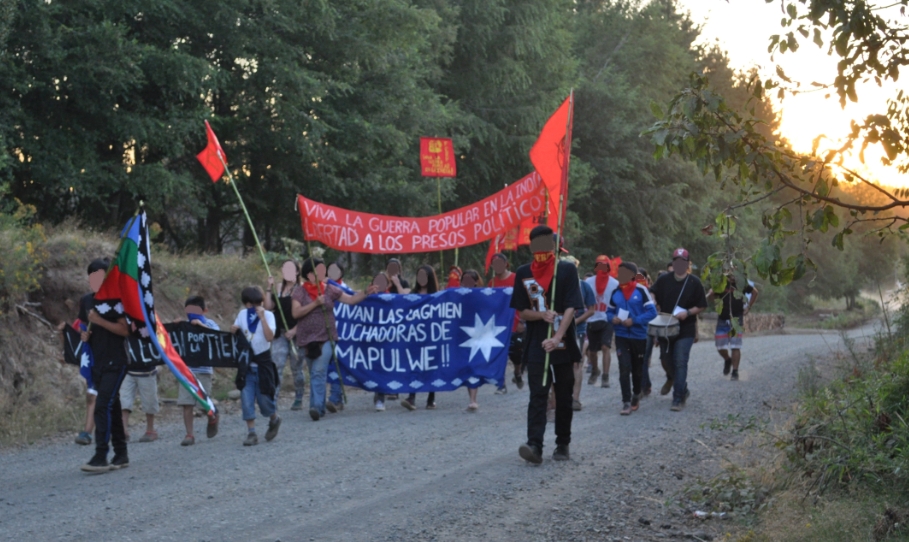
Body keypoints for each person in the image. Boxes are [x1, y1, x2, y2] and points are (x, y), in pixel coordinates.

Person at [511, 227, 585, 464]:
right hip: (535, 343)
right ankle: (535, 445)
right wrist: (540, 315)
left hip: (562, 342)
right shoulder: (523, 273)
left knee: (563, 395)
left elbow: (573, 306)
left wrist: (557, 336)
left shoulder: (566, 269)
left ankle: (562, 443)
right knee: (538, 395)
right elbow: (522, 311)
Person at [292, 257, 378, 419]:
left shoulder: (330, 289)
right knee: (314, 372)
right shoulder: (299, 291)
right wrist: (315, 303)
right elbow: (296, 313)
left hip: (327, 337)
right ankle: (319, 406)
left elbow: (351, 300)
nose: (324, 272)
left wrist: (366, 292)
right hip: (307, 340)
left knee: (318, 371)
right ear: (310, 274)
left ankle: (316, 408)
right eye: (320, 270)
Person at [79, 259, 130, 473]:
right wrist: (85, 335)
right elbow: (84, 328)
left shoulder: (116, 301)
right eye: (92, 276)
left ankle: (101, 455)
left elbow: (125, 330)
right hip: (98, 362)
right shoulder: (86, 301)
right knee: (113, 406)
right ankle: (121, 453)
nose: (96, 280)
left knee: (102, 406)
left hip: (117, 361)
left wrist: (100, 321)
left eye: (100, 275)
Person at [650, 248, 708, 411]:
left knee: (680, 361)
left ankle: (677, 398)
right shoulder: (664, 280)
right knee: (666, 360)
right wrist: (654, 301)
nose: (679, 264)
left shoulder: (694, 282)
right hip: (665, 328)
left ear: (688, 264)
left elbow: (702, 305)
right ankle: (682, 388)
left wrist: (688, 312)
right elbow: (652, 292)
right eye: (677, 261)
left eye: (683, 261)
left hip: (685, 328)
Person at [232, 286, 281, 446]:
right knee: (246, 400)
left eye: (257, 303)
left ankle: (274, 418)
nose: (253, 307)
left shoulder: (268, 315)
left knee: (264, 400)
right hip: (246, 365)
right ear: (245, 304)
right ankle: (251, 433)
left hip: (263, 364)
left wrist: (262, 319)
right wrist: (234, 329)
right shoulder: (241, 315)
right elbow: (236, 334)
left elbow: (269, 337)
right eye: (250, 304)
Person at [606, 262, 657, 415]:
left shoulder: (641, 291)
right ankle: (626, 402)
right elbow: (608, 312)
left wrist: (634, 320)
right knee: (624, 368)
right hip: (621, 336)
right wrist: (612, 318)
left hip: (639, 336)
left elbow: (652, 312)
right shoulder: (616, 291)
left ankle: (636, 395)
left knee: (637, 369)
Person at [264, 259, 306, 411]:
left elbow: (306, 314)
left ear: (297, 272)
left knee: (296, 368)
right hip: (280, 333)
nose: (287, 271)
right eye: (285, 268)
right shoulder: (279, 288)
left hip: (297, 333)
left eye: (291, 269)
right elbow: (268, 307)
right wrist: (269, 288)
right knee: (277, 365)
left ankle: (299, 397)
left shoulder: (302, 289)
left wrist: (295, 330)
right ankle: (273, 400)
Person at [179, 296, 220, 446]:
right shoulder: (184, 325)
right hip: (186, 370)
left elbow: (218, 336)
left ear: (204, 311)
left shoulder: (210, 323)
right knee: (186, 403)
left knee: (204, 403)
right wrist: (177, 326)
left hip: (204, 369)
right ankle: (189, 434)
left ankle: (213, 416)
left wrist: (201, 325)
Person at [402, 265, 440, 410]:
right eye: (419, 275)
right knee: (414, 365)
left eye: (424, 275)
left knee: (431, 366)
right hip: (415, 336)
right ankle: (411, 398)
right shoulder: (412, 294)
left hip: (432, 336)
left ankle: (431, 399)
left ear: (430, 277)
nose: (421, 278)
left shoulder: (437, 295)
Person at [707, 275, 757, 381]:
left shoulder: (742, 283)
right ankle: (727, 359)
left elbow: (755, 292)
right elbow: (712, 298)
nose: (732, 277)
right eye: (730, 274)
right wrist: (711, 294)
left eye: (734, 273)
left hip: (736, 319)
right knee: (720, 347)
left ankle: (735, 371)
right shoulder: (720, 283)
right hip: (722, 318)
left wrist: (748, 307)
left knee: (735, 345)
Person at [489, 253, 524, 393]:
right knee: (500, 354)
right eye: (494, 264)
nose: (497, 266)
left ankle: (517, 372)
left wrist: (523, 319)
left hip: (516, 322)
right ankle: (501, 384)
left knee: (517, 355)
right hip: (498, 325)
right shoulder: (491, 283)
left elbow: (525, 298)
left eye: (499, 263)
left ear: (506, 264)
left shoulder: (516, 279)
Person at [564, 256, 595, 411]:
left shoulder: (584, 286)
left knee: (576, 363)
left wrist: (575, 322)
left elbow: (591, 309)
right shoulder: (557, 285)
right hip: (558, 330)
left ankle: (575, 399)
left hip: (578, 331)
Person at [584, 255, 619, 388]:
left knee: (605, 347)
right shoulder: (588, 282)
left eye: (604, 266)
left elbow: (618, 301)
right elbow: (583, 299)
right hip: (591, 319)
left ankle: (605, 376)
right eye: (599, 265)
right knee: (592, 351)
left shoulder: (614, 283)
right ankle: (595, 371)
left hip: (606, 319)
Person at [119, 352, 159, 443]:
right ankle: (123, 430)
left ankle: (150, 429)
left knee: (149, 401)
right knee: (123, 400)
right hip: (128, 370)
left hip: (147, 370)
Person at [461, 269, 485, 411]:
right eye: (465, 279)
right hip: (461, 335)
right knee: (466, 366)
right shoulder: (457, 295)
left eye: (471, 279)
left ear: (476, 281)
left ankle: (473, 400)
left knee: (473, 366)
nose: (467, 282)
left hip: (477, 334)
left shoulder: (483, 295)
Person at [636, 268, 655, 395]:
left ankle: (642, 387)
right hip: (633, 330)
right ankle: (646, 384)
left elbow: (653, 312)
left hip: (647, 329)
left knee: (642, 359)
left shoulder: (650, 293)